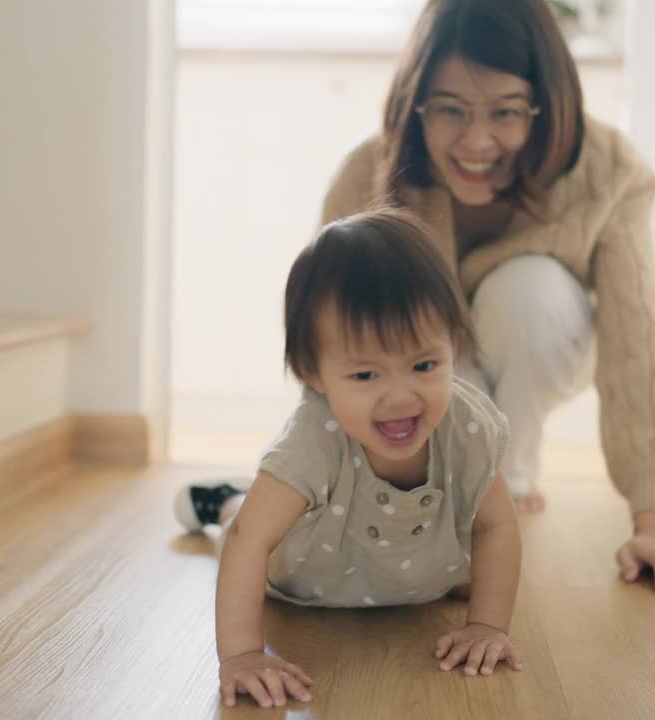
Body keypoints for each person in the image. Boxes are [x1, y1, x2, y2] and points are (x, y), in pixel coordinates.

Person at [320, 0, 655, 598]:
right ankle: (485, 485)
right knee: (438, 354)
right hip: (430, 363)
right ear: (415, 105)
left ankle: (513, 465)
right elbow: (334, 349)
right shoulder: (366, 176)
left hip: (546, 333)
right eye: (450, 110)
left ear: (545, 107)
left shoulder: (609, 170)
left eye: (505, 112)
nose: (477, 141)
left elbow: (642, 345)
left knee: (527, 289)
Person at [175, 210, 525, 708]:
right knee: (249, 521)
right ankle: (226, 500)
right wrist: (242, 656)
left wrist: (487, 625)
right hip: (305, 577)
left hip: (416, 573)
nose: (400, 398)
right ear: (312, 372)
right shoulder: (314, 437)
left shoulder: (467, 425)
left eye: (423, 365)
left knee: (470, 558)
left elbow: (496, 527)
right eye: (366, 376)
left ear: (454, 345)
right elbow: (250, 542)